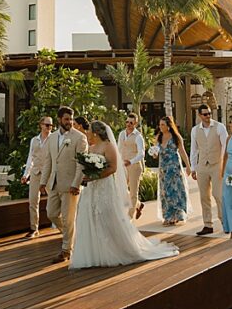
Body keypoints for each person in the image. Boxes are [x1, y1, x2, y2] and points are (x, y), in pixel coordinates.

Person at [69, 120, 179, 269]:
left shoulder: (108, 146)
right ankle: (94, 253)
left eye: (89, 132)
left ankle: (113, 250)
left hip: (103, 187)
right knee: (90, 216)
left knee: (106, 217)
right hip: (91, 188)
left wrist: (96, 176)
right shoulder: (91, 147)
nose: (87, 134)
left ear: (95, 133)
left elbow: (113, 168)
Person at [45, 107, 88, 263]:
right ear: (59, 120)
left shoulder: (80, 138)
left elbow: (81, 164)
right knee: (51, 213)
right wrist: (44, 182)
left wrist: (76, 183)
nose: (69, 122)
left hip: (70, 185)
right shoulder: (52, 137)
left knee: (68, 219)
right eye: (66, 119)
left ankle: (66, 250)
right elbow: (48, 161)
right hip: (53, 183)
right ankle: (71, 237)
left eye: (71, 119)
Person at [190, 103, 228, 235]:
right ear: (200, 115)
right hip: (202, 166)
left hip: (217, 164)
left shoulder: (219, 127)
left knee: (218, 195)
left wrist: (223, 164)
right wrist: (193, 168)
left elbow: (225, 147)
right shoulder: (195, 130)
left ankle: (225, 222)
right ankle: (207, 225)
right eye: (205, 114)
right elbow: (194, 150)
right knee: (203, 197)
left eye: (209, 114)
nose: (208, 116)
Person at [21, 115, 54, 238]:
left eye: (51, 125)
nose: (49, 127)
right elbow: (31, 158)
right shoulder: (34, 140)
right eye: (47, 125)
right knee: (33, 201)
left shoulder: (54, 139)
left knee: (53, 201)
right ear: (41, 125)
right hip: (35, 173)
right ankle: (34, 228)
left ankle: (58, 225)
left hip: (49, 173)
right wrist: (26, 175)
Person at [156, 116, 192, 226]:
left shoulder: (176, 137)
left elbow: (182, 152)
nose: (160, 127)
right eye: (160, 124)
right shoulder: (159, 137)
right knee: (165, 192)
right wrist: (154, 154)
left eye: (163, 125)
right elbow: (156, 152)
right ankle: (167, 216)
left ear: (168, 126)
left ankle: (177, 215)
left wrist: (188, 166)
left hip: (174, 168)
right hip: (163, 169)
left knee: (176, 191)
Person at [117, 113, 146, 219]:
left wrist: (131, 161)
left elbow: (141, 153)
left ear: (135, 123)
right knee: (121, 190)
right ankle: (138, 204)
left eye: (131, 123)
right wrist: (118, 163)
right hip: (123, 166)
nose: (128, 124)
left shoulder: (138, 136)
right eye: (127, 122)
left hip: (134, 167)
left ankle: (129, 218)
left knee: (133, 192)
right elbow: (118, 149)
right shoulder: (121, 134)